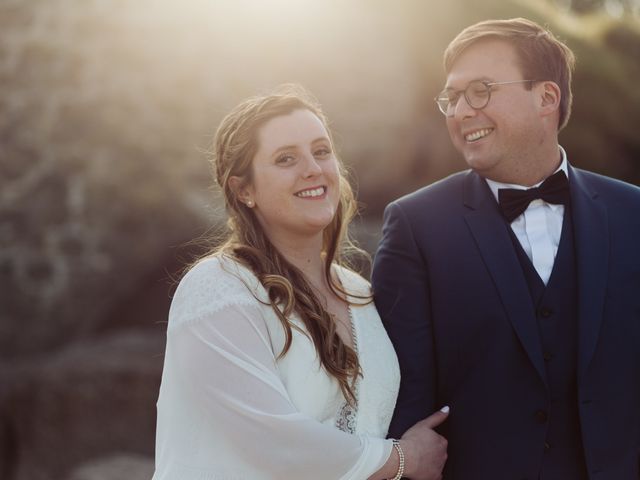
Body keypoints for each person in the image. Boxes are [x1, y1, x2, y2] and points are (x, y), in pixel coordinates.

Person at [373, 17, 640, 480]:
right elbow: (403, 402)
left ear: (546, 98)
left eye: (480, 90)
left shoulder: (633, 214)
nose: (460, 111)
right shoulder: (415, 226)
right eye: (452, 98)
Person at [153, 85, 449, 480]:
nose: (312, 168)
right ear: (244, 190)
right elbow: (272, 442)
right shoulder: (219, 288)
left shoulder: (360, 293)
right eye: (286, 158)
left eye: (321, 151)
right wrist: (402, 459)